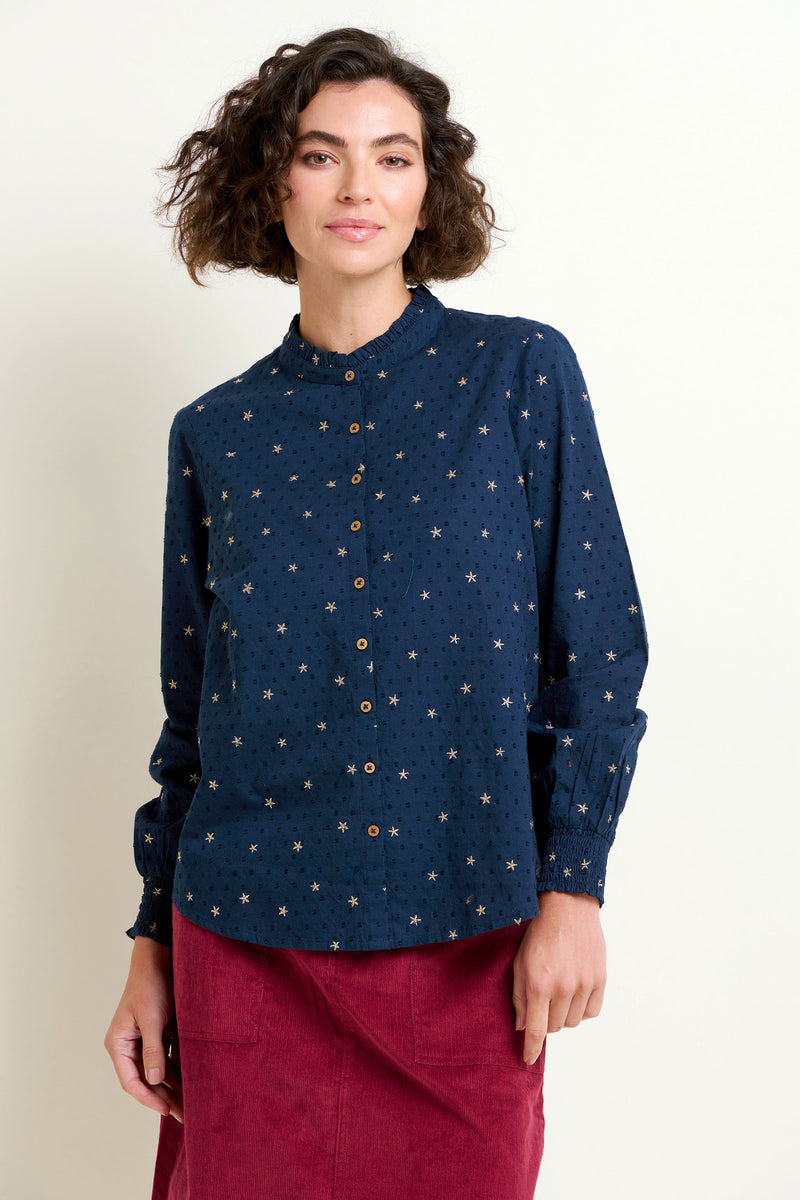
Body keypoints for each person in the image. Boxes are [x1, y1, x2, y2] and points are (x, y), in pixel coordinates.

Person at [104, 26, 649, 1200]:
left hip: (468, 931)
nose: (357, 187)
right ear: (272, 187)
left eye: (392, 158)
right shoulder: (217, 434)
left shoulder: (520, 377)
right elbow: (193, 720)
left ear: (426, 192)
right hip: (243, 943)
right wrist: (150, 946)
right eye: (321, 155)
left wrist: (572, 888)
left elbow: (597, 656)